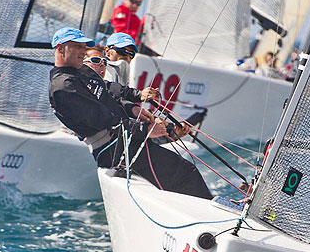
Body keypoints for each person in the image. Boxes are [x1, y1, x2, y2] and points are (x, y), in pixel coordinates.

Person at [49, 27, 212, 199]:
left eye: (84, 47)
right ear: (60, 49)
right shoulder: (64, 87)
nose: (83, 52)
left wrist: (133, 106)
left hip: (124, 141)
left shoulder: (81, 72)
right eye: (78, 47)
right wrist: (146, 130)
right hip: (113, 149)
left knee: (184, 169)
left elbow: (109, 91)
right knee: (185, 172)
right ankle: (213, 217)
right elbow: (103, 120)